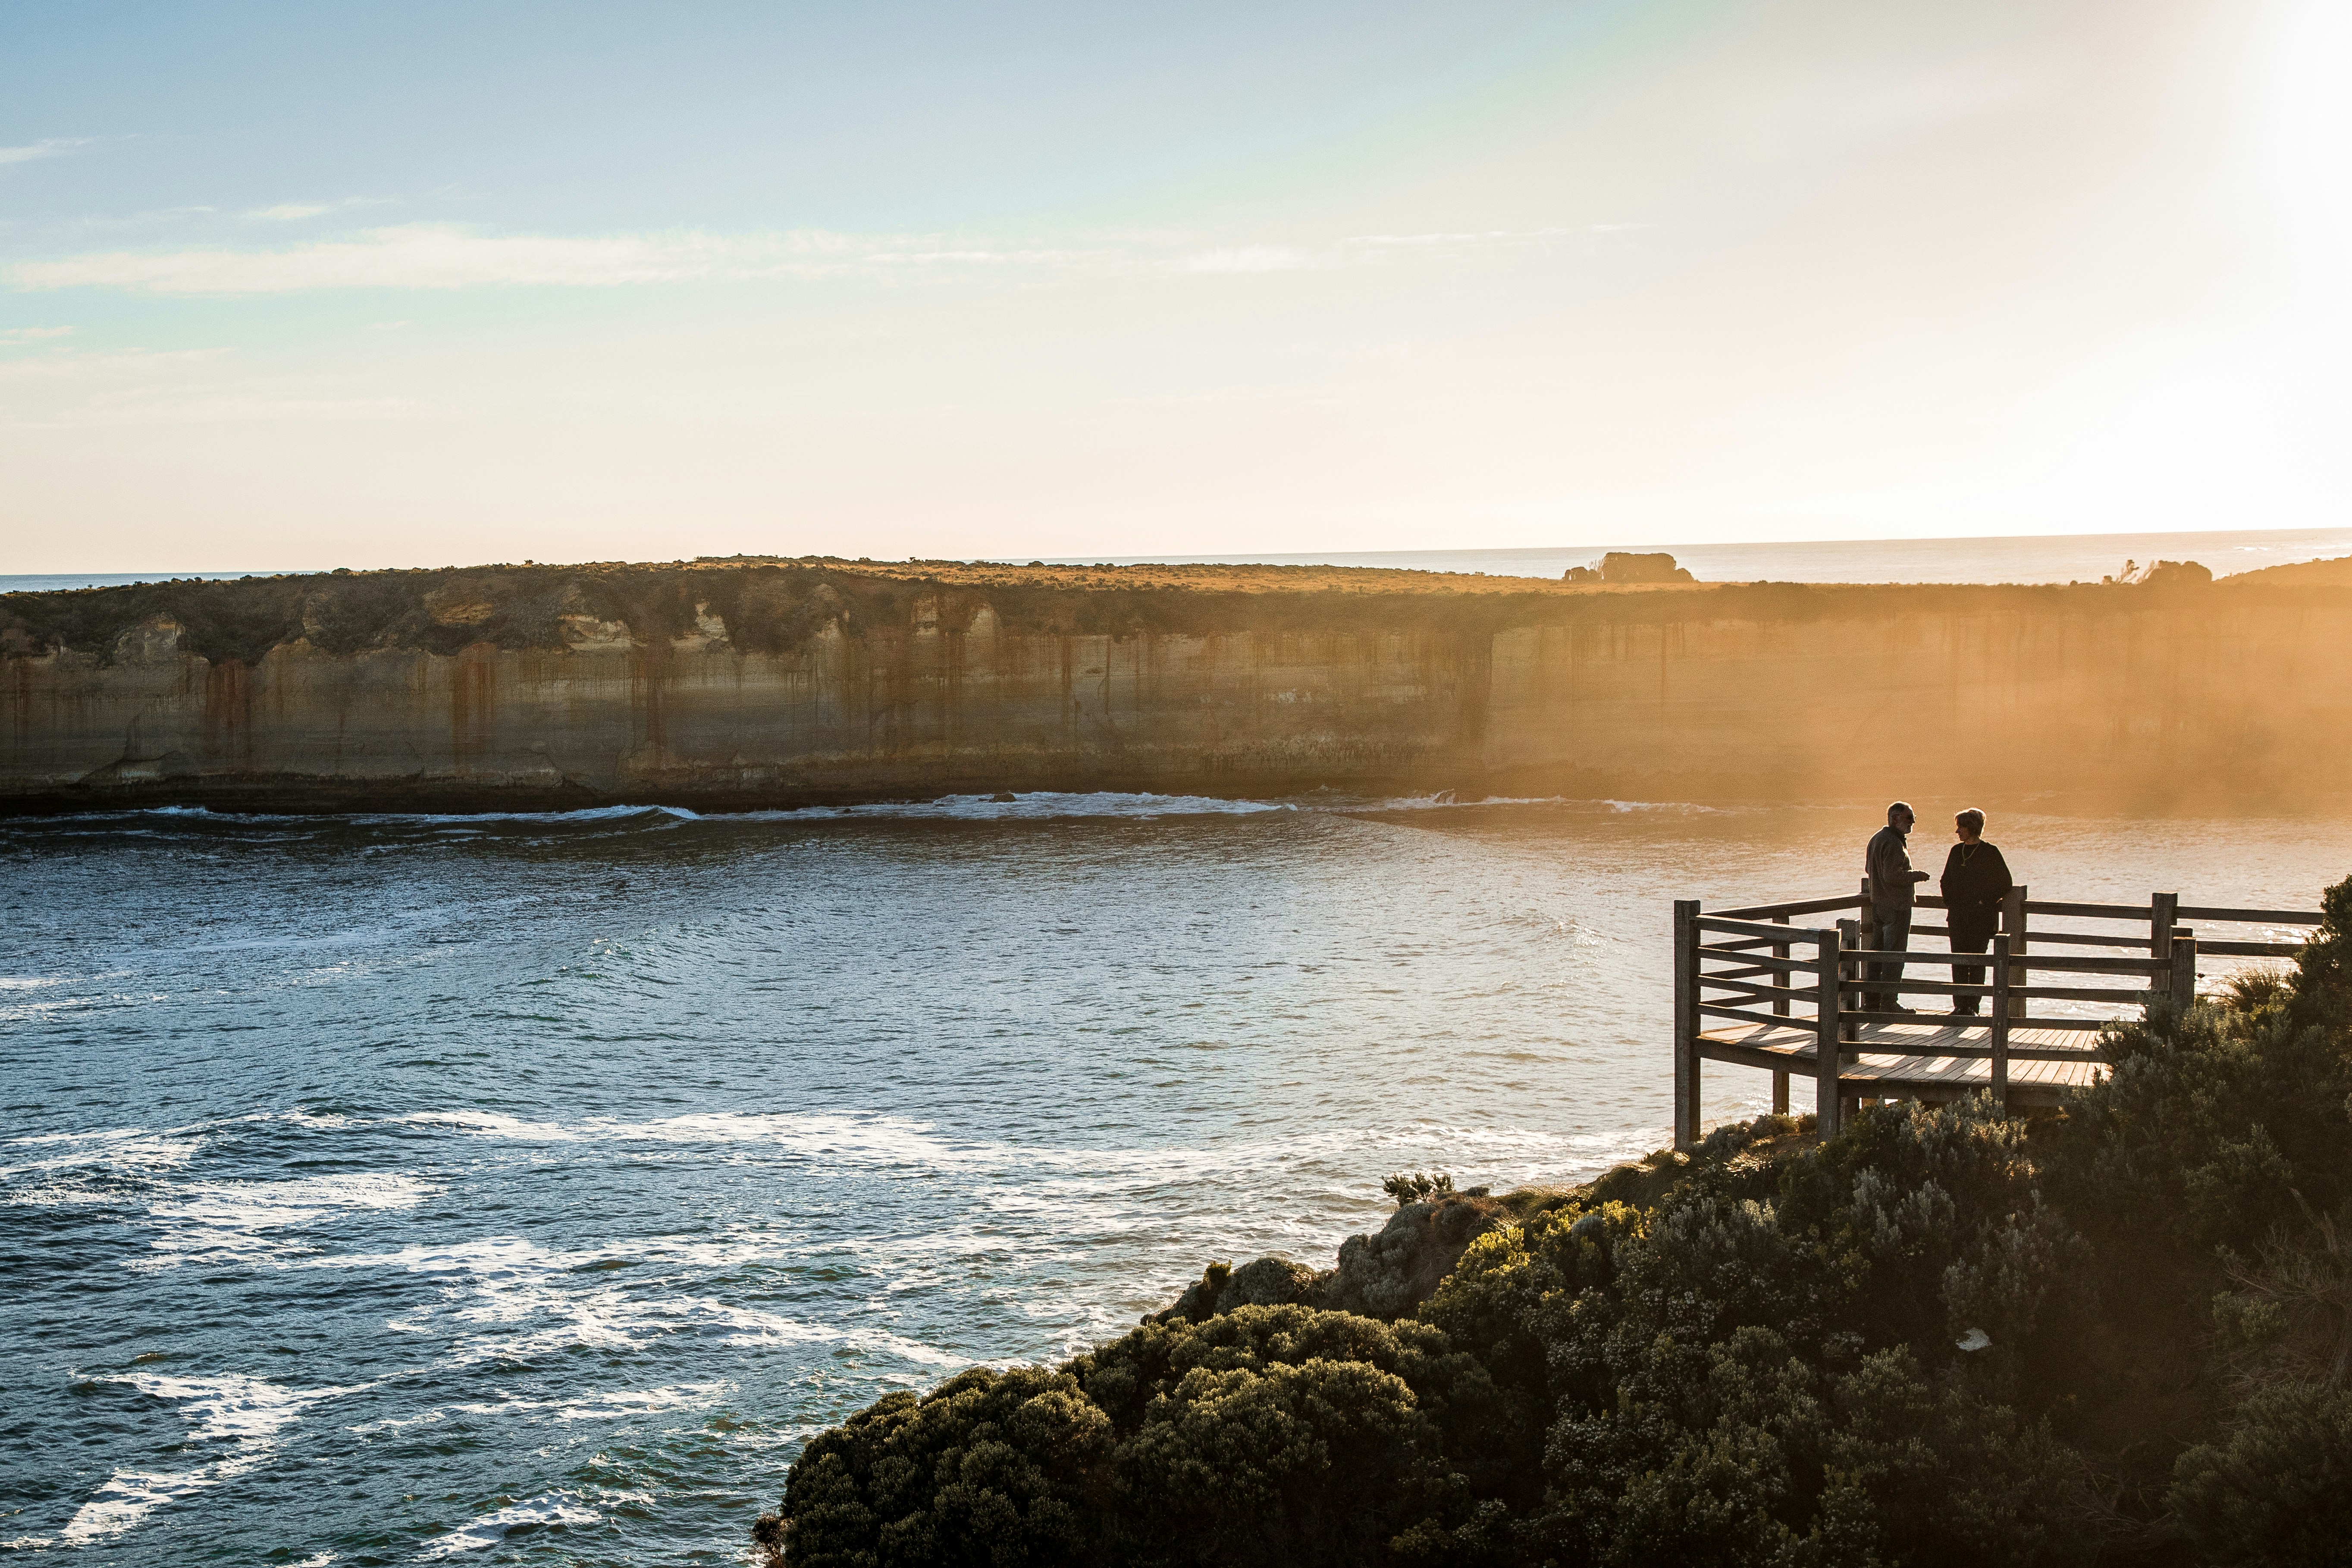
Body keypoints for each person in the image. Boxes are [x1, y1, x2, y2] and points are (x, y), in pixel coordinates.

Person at [1939, 809, 2014, 1017]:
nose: (1957, 832)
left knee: (1978, 962)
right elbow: (1945, 881)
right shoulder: (1956, 852)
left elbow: (2005, 883)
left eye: (1961, 827)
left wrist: (1985, 901)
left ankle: (1973, 1006)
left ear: (1972, 828)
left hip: (1981, 918)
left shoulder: (1990, 852)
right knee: (1959, 962)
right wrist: (1951, 903)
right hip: (1957, 918)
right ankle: (1960, 1005)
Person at [1864, 802, 1931, 1013]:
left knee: (1877, 955)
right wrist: (1917, 876)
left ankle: (1872, 1001)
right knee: (1895, 955)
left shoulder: (1876, 839)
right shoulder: (1894, 843)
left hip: (1878, 905)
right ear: (1894, 819)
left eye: (1913, 817)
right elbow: (1892, 876)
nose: (1913, 821)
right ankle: (1889, 1002)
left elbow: (1869, 869)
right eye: (1908, 817)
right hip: (1896, 907)